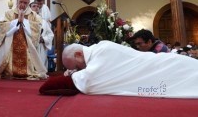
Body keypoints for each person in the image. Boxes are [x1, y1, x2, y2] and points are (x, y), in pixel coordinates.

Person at [62, 40, 198, 98]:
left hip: (161, 66)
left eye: (77, 67)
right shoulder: (96, 52)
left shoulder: (102, 49)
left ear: (79, 54)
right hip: (155, 69)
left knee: (189, 74)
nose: (78, 70)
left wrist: (71, 77)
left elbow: (91, 82)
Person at [0, 0, 47, 80]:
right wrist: (16, 22)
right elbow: (2, 25)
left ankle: (28, 71)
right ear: (17, 1)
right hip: (11, 43)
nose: (22, 4)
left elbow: (38, 27)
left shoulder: (33, 15)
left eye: (25, 2)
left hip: (27, 44)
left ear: (28, 3)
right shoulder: (9, 13)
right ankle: (9, 71)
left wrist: (24, 22)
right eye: (20, 1)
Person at [30, 1, 54, 69]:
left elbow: (50, 34)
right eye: (34, 6)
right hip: (30, 46)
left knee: (40, 68)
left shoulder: (43, 21)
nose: (36, 8)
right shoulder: (26, 20)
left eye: (37, 6)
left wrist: (44, 39)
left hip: (41, 47)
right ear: (30, 8)